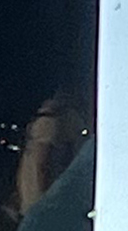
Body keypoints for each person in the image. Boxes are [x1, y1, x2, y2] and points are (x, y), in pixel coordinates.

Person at [13, 90, 88, 218]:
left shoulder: (40, 122)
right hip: (45, 202)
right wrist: (48, 197)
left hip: (33, 199)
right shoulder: (51, 125)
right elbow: (42, 164)